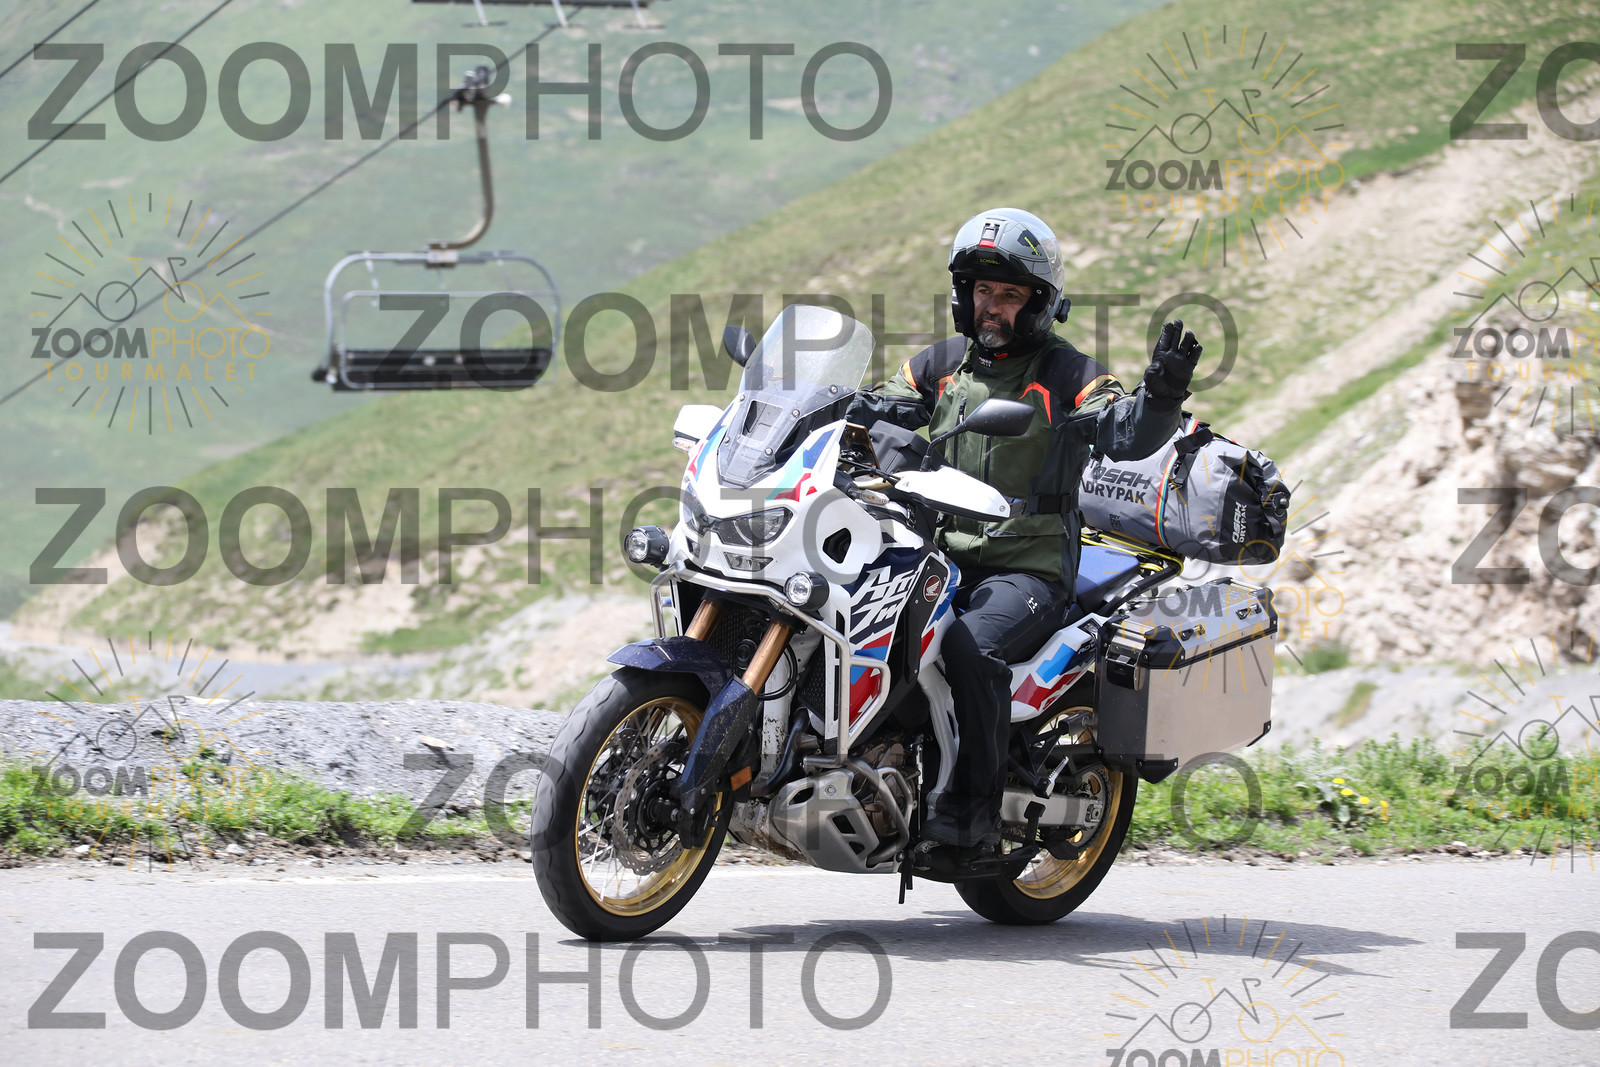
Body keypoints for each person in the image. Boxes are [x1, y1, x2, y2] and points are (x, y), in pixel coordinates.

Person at [846, 207, 1201, 850]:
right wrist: (811, 400)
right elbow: (876, 407)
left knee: (967, 648)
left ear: (1039, 302)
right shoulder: (942, 364)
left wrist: (1162, 397)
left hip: (1027, 569)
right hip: (938, 556)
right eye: (983, 290)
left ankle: (972, 813)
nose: (993, 306)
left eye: (1009, 294)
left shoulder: (1069, 374)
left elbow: (1124, 433)